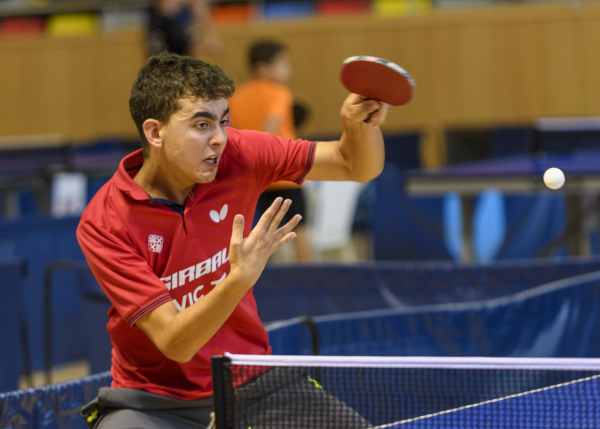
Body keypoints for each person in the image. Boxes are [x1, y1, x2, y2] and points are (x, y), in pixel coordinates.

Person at [77, 51, 388, 428]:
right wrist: (239, 278)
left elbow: (354, 164)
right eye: (202, 124)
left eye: (224, 121)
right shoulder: (106, 220)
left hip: (252, 382)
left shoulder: (242, 154)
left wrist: (361, 126)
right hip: (154, 402)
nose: (220, 139)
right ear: (155, 132)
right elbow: (176, 342)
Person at [229, 40, 312, 262]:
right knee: (300, 230)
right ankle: (308, 280)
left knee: (261, 235)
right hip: (284, 173)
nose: (289, 69)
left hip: (255, 178)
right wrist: (266, 157)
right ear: (262, 68)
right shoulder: (279, 92)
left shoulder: (237, 97)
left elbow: (233, 134)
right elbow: (271, 126)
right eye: (283, 64)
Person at [147, 0, 220, 57]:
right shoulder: (161, 22)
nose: (180, 2)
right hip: (168, 70)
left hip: (172, 68)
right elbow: (207, 44)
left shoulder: (173, 19)